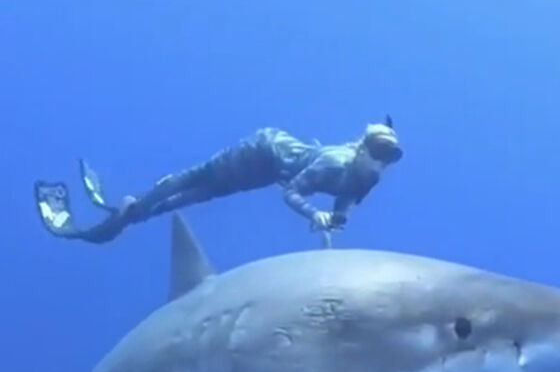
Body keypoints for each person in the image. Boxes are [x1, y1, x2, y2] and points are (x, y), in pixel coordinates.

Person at [34, 118, 403, 246]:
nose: (380, 162)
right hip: (262, 151)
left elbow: (346, 202)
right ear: (361, 148)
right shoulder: (334, 162)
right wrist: (314, 214)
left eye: (388, 157)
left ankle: (131, 214)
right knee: (200, 178)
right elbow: (292, 193)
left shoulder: (366, 178)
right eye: (377, 152)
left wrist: (340, 218)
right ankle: (135, 206)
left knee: (201, 194)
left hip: (269, 171)